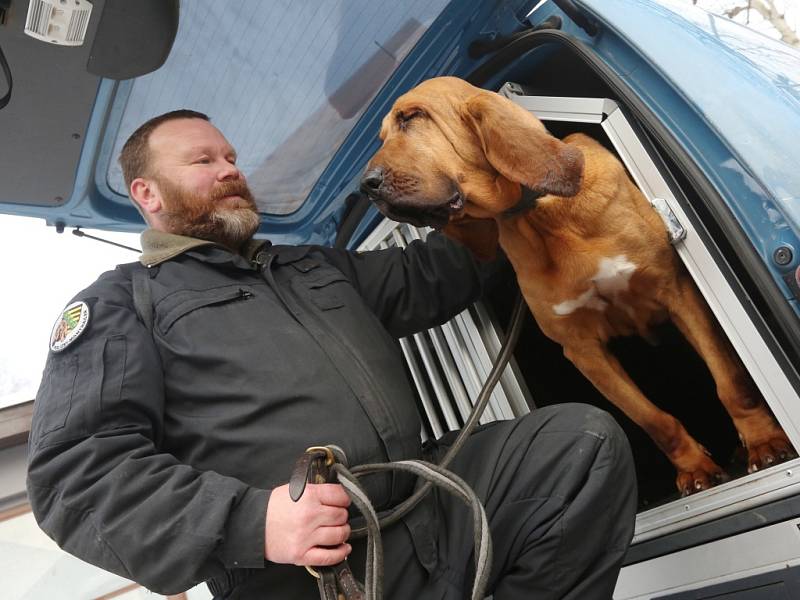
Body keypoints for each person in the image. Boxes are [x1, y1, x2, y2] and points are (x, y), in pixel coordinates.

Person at [27, 110, 637, 599]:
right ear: (147, 193)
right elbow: (76, 475)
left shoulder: (310, 267)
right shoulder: (121, 303)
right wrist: (252, 521)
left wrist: (488, 188)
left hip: (428, 506)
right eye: (203, 160)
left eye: (232, 157)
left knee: (579, 448)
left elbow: (439, 274)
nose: (230, 170)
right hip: (308, 576)